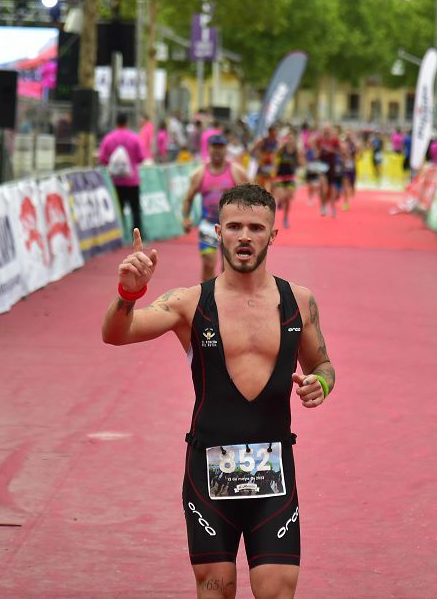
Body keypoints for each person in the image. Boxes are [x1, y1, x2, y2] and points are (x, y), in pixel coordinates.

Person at [101, 184, 336, 599]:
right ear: (218, 232)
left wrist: (321, 384)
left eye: (256, 227)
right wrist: (128, 295)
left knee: (278, 591)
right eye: (234, 226)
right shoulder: (189, 303)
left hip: (273, 474)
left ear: (273, 235)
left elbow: (322, 365)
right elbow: (116, 335)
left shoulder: (299, 301)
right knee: (216, 591)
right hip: (208, 473)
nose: (244, 236)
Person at [181, 134, 249, 281]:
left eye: (221, 147)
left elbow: (252, 197)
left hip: (232, 226)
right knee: (208, 263)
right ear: (209, 149)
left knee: (229, 266)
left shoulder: (237, 172)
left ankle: (226, 298)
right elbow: (188, 198)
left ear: (226, 150)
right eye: (215, 147)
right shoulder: (200, 173)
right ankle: (207, 297)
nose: (217, 151)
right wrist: (185, 218)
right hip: (208, 225)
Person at [99, 113, 146, 237]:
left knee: (118, 210)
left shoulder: (108, 138)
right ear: (127, 123)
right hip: (132, 181)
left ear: (116, 123)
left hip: (115, 181)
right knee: (135, 209)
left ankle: (119, 235)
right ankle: (137, 236)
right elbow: (141, 157)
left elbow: (102, 159)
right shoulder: (134, 138)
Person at [273, 132, 303, 229]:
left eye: (292, 139)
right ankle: (280, 201)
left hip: (290, 177)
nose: (290, 141)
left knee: (288, 199)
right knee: (281, 195)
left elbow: (301, 163)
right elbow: (275, 157)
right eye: (289, 139)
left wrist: (301, 158)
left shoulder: (296, 152)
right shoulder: (282, 149)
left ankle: (285, 218)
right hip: (280, 177)